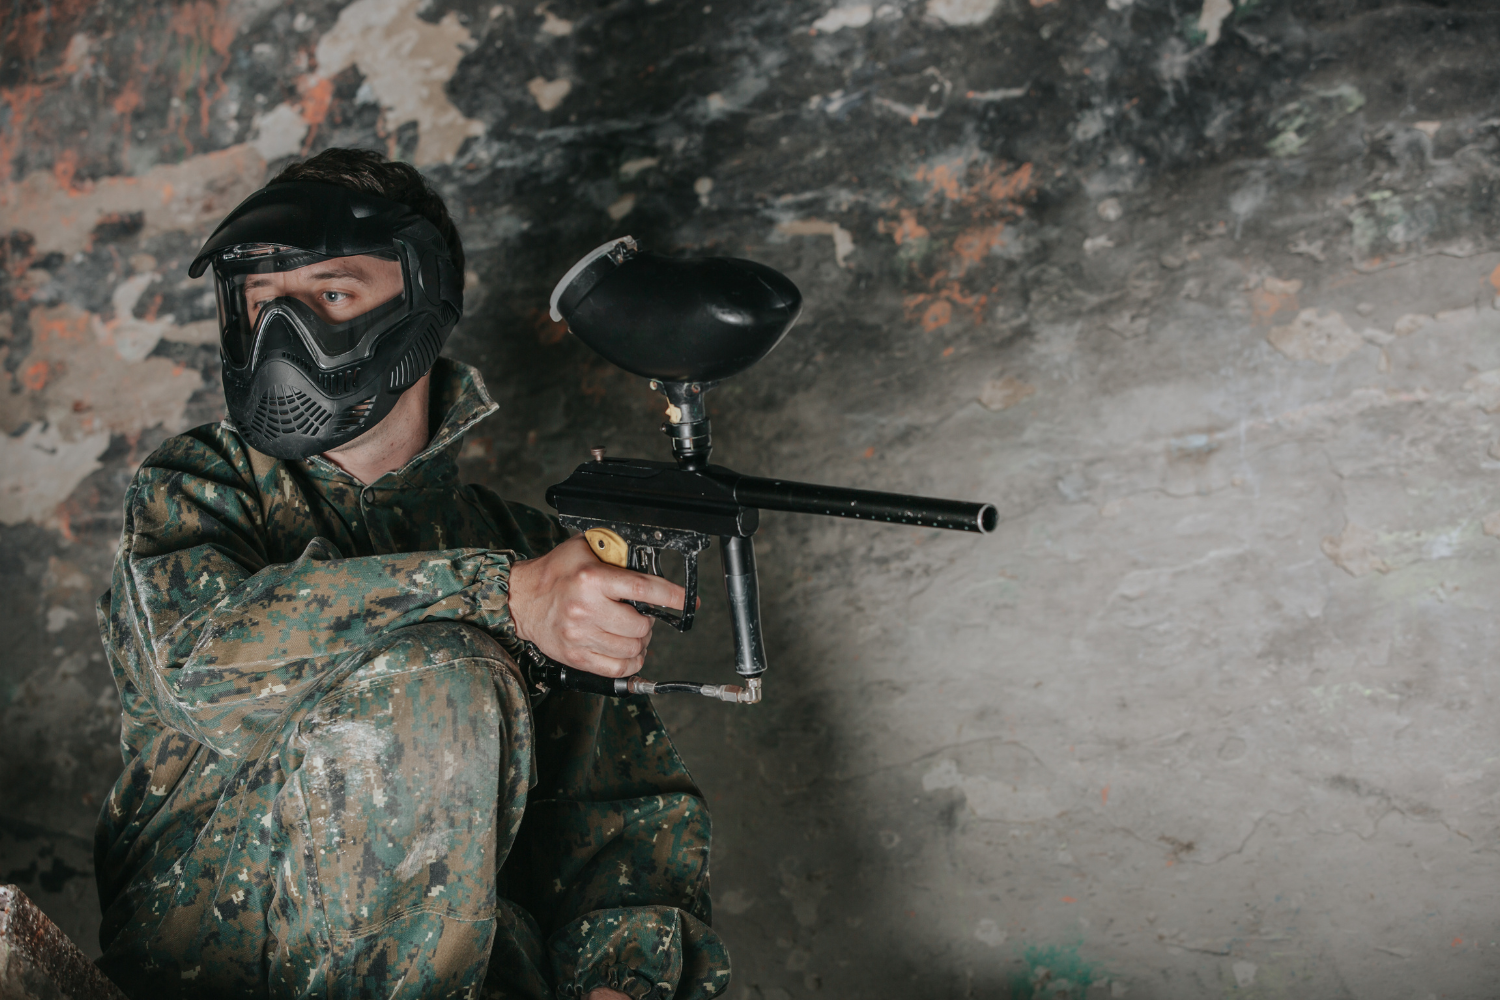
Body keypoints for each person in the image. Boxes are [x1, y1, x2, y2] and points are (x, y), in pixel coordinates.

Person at [93, 147, 730, 1000]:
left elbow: (617, 814)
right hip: (215, 966)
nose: (283, 332)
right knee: (439, 675)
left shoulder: (526, 546)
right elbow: (199, 664)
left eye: (331, 296)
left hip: (472, 973)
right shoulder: (201, 487)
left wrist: (623, 980)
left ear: (425, 303)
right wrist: (500, 597)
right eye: (261, 301)